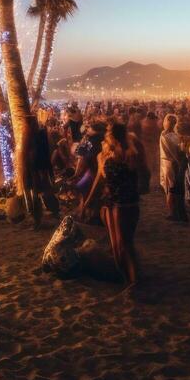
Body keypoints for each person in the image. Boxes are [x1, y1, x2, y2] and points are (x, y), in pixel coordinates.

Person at [82, 122, 144, 285]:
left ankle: (133, 280)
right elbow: (99, 180)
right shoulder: (108, 155)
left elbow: (101, 179)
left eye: (108, 134)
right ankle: (127, 279)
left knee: (124, 244)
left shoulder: (129, 154)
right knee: (118, 245)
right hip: (114, 202)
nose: (104, 138)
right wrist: (88, 201)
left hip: (123, 203)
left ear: (113, 137)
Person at [159, 114, 188, 222]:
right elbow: (176, 152)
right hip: (171, 163)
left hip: (170, 164)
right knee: (172, 188)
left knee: (172, 188)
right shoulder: (168, 136)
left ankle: (174, 212)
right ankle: (173, 212)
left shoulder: (168, 135)